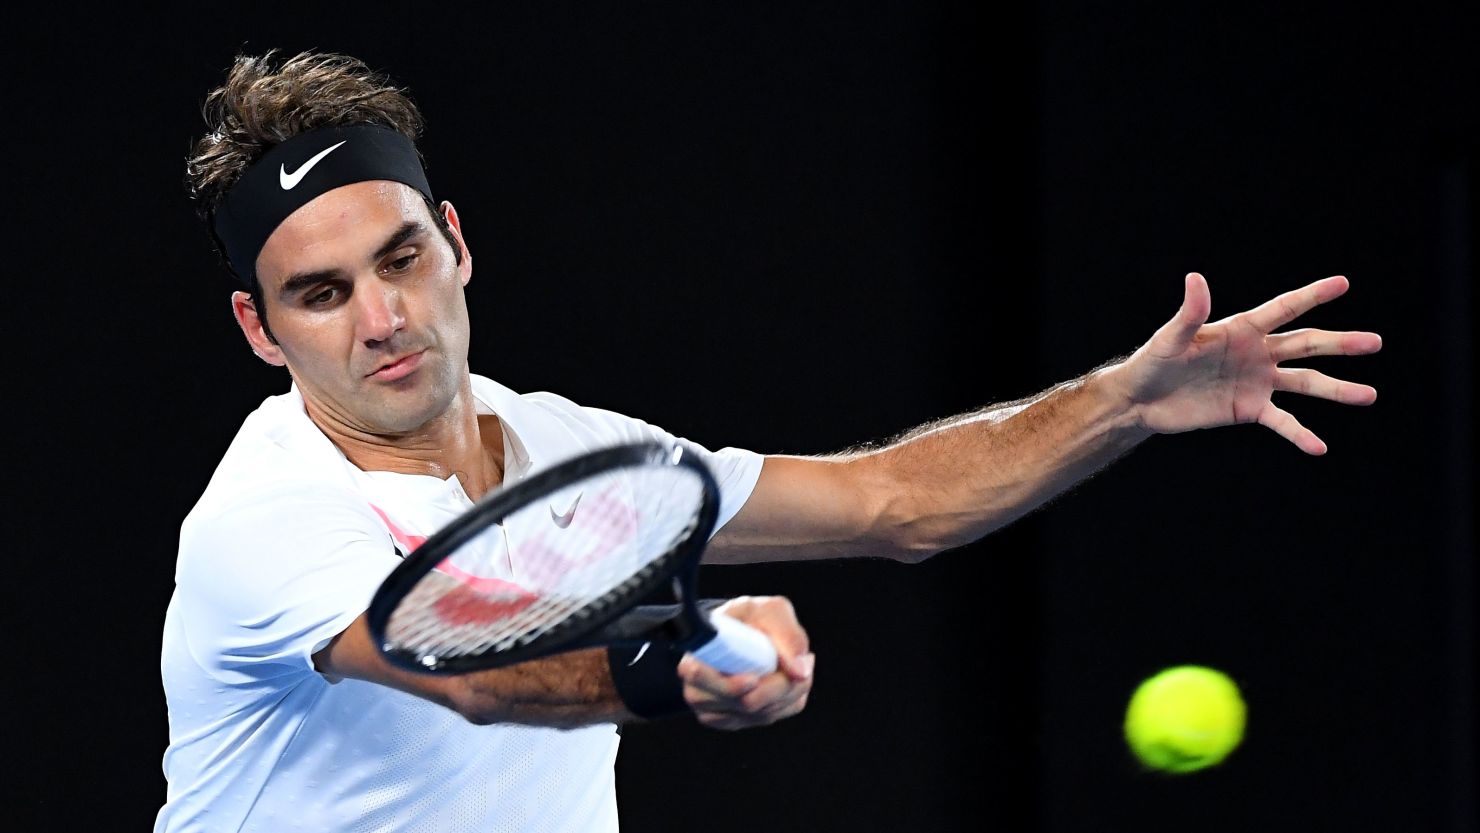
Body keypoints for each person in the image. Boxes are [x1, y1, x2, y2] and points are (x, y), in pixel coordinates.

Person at [157, 50, 1381, 833]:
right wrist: (677, 660)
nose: (382, 319)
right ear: (260, 331)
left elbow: (891, 501)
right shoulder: (266, 517)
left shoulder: (564, 442)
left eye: (401, 256)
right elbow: (463, 667)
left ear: (457, 243)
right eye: (320, 294)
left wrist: (1123, 397)